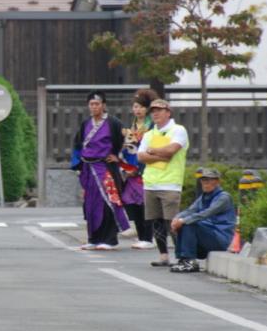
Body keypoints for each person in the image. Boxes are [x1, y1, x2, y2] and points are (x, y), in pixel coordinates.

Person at [70, 91, 129, 250]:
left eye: (97, 104)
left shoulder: (114, 123)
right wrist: (78, 165)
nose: (94, 107)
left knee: (108, 202)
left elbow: (129, 143)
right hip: (89, 169)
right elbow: (77, 145)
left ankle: (109, 239)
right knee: (90, 203)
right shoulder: (85, 124)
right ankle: (93, 238)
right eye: (91, 104)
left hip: (105, 168)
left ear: (103, 105)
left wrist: (119, 159)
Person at [137, 98, 189, 267]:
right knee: (156, 221)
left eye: (159, 110)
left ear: (168, 112)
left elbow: (172, 150)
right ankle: (164, 256)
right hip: (151, 182)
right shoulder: (149, 134)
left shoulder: (178, 130)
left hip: (170, 183)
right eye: (153, 111)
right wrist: (161, 153)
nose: (156, 113)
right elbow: (141, 156)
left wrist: (152, 151)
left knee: (172, 221)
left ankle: (182, 255)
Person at [170, 167, 236, 273]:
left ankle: (190, 261)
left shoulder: (223, 197)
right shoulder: (203, 197)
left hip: (220, 237)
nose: (206, 183)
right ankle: (183, 259)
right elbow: (190, 210)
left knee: (189, 223)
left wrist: (183, 221)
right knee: (183, 223)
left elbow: (205, 214)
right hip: (208, 235)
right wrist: (176, 218)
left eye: (209, 180)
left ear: (217, 181)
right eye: (203, 180)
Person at [120, 89, 157, 250]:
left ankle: (148, 237)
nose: (137, 110)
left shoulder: (152, 126)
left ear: (147, 109)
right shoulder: (133, 125)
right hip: (131, 169)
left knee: (145, 204)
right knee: (132, 202)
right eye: (135, 107)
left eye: (141, 107)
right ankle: (141, 235)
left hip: (145, 168)